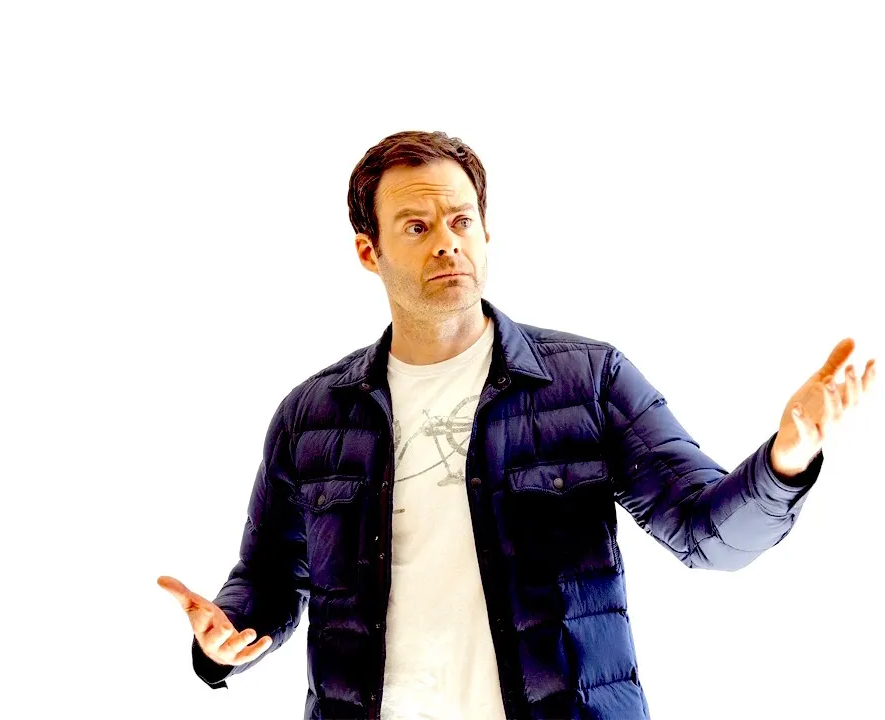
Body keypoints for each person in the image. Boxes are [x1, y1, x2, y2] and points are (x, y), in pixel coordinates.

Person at [157, 130, 876, 720]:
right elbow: (270, 576)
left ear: (485, 229)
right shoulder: (312, 416)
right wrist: (226, 636)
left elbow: (705, 533)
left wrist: (786, 461)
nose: (447, 242)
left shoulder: (588, 381)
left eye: (461, 220)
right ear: (368, 252)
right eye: (416, 227)